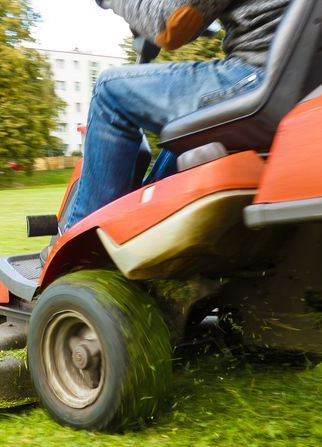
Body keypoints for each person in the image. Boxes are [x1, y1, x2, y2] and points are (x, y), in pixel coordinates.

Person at [37, 0, 291, 267]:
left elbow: (172, 21)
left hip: (254, 79)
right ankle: (144, 230)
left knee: (109, 90)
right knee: (185, 132)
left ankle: (80, 245)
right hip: (305, 85)